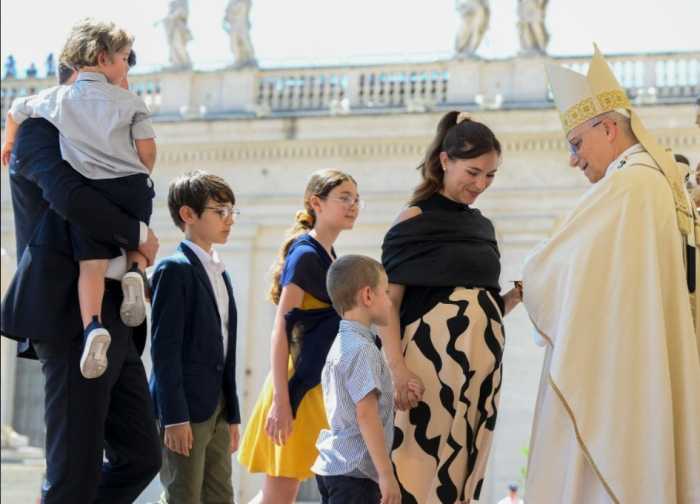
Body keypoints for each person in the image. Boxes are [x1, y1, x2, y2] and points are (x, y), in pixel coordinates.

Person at [523, 45, 700, 503]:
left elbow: (548, 271)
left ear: (607, 128)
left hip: (625, 370)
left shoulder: (626, 184)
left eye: (576, 143)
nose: (573, 159)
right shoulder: (659, 180)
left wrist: (529, 277)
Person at [0, 51, 161, 504]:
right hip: (71, 314)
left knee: (140, 457)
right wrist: (138, 234)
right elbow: (71, 199)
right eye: (117, 73)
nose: (123, 86)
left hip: (117, 313)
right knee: (74, 471)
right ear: (83, 71)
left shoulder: (106, 141)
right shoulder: (40, 130)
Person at [1, 19, 157, 379]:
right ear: (103, 59)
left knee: (92, 264)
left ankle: (94, 324)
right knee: (136, 237)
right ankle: (135, 273)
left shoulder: (53, 104)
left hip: (96, 193)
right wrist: (141, 178)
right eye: (124, 60)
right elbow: (145, 151)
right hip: (65, 307)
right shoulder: (126, 103)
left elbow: (15, 110)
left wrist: (7, 140)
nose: (126, 70)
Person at [379, 111, 522, 504]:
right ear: (445, 160)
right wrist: (397, 369)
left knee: (463, 475)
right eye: (473, 172)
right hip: (429, 367)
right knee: (418, 471)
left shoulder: (483, 226)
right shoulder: (413, 218)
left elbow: (481, 303)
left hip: (480, 371)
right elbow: (389, 302)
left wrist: (515, 297)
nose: (481, 184)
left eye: (490, 175)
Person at [238, 170, 361, 504]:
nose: (353, 205)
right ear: (316, 203)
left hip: (315, 384)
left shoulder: (328, 255)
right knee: (280, 495)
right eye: (344, 198)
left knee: (280, 494)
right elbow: (281, 328)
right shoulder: (306, 254)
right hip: (297, 386)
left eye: (356, 199)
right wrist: (282, 401)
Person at [149, 171, 241, 503]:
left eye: (232, 211)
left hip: (218, 407)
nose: (229, 219)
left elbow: (226, 348)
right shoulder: (173, 269)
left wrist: (232, 414)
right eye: (220, 211)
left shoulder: (221, 273)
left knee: (220, 495)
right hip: (184, 409)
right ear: (188, 214)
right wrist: (174, 417)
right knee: (182, 495)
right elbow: (164, 350)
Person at [311, 255, 399, 504]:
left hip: (337, 468)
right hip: (356, 474)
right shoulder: (362, 349)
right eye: (386, 292)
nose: (391, 301)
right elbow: (366, 415)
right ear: (368, 295)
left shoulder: (342, 344)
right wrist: (386, 474)